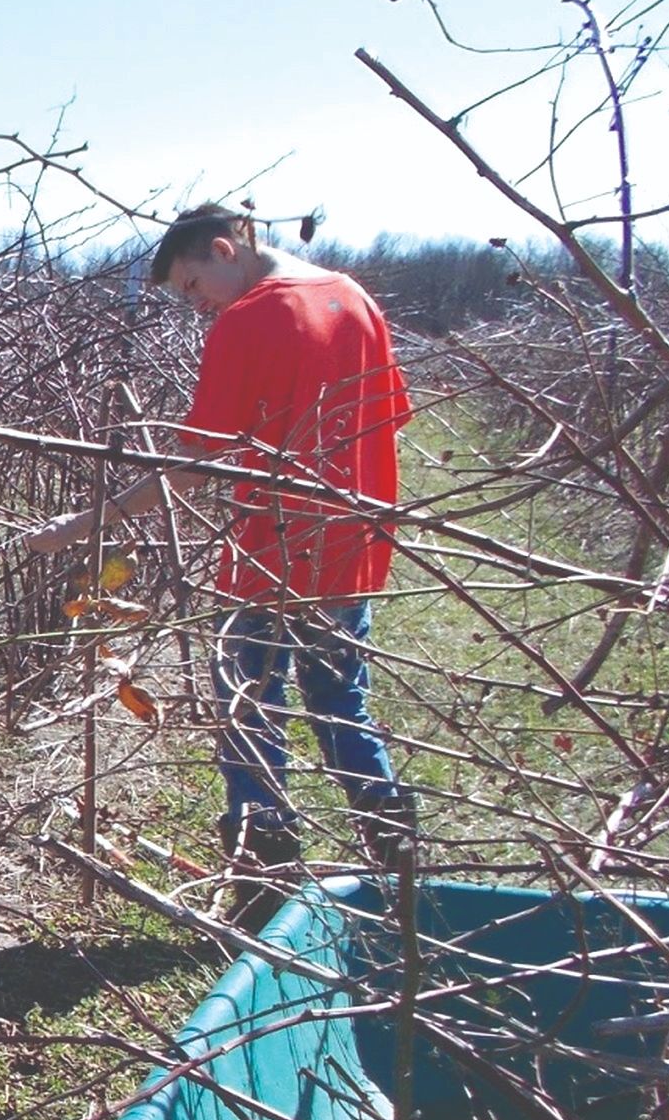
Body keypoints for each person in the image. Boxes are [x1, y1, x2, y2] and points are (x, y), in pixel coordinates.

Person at [27, 204, 415, 923]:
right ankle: (399, 870)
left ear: (222, 249)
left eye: (191, 285)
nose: (196, 304)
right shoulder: (352, 298)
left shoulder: (249, 320)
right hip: (352, 552)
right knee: (340, 706)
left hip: (273, 556)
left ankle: (262, 893)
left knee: (247, 712)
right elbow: (388, 418)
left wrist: (82, 526)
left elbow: (191, 466)